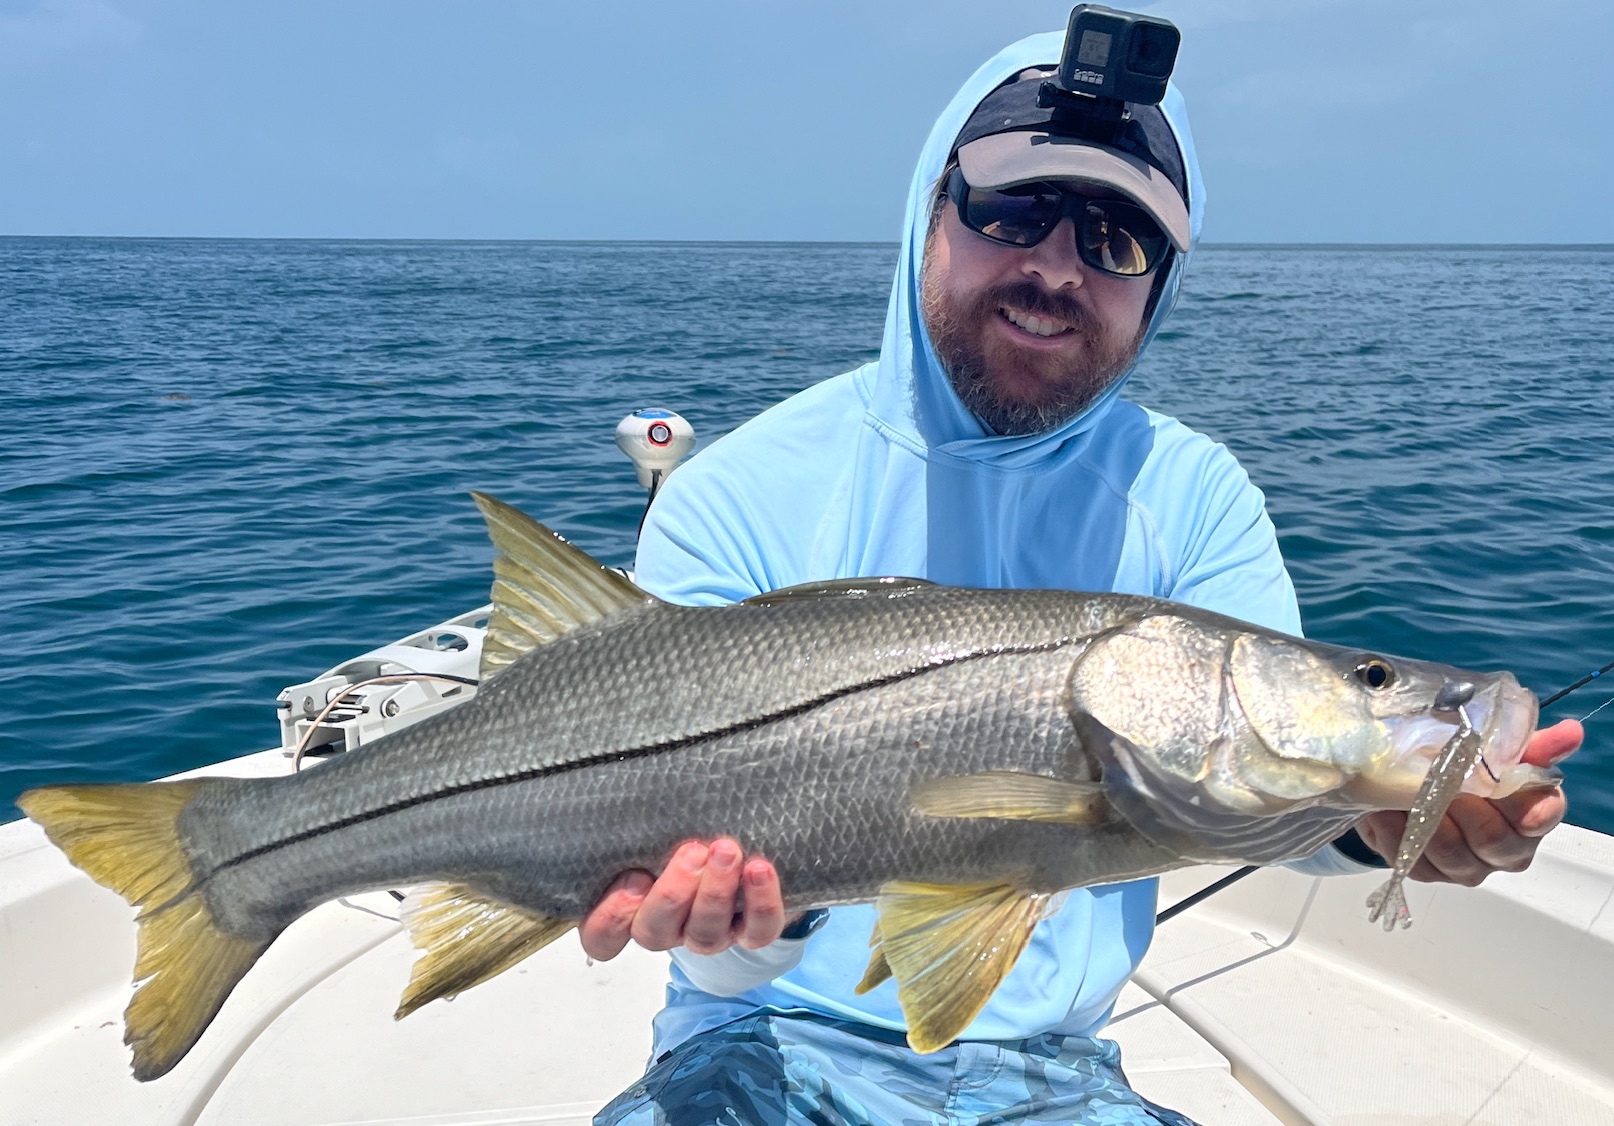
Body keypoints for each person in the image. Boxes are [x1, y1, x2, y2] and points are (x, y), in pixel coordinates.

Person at [580, 26, 1582, 1126]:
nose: (1058, 268)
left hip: (1055, 1073)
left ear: (1161, 286)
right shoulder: (734, 490)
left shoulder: (1194, 494)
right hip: (759, 1037)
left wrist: (1368, 819)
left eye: (1118, 239)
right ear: (930, 210)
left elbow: (1247, 772)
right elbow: (693, 916)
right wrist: (742, 927)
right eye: (1014, 210)